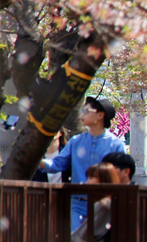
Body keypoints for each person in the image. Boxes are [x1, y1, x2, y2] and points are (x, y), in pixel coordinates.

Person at [40, 97, 127, 231]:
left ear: (100, 115)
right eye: (82, 110)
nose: (82, 114)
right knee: (75, 240)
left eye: (87, 111)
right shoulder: (75, 141)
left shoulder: (115, 145)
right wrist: (39, 162)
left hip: (103, 203)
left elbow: (121, 176)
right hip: (77, 202)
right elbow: (58, 164)